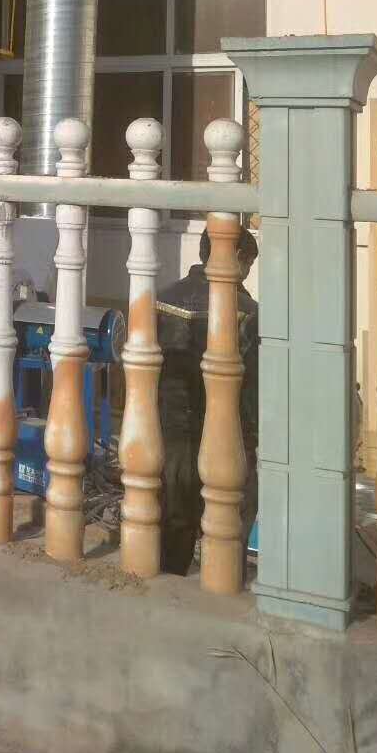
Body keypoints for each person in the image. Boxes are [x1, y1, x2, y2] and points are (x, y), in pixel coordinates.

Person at [155, 225, 259, 575]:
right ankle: (223, 581)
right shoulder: (247, 310)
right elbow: (253, 383)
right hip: (228, 431)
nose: (247, 273)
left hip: (172, 426)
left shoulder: (162, 299)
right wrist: (254, 435)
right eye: (249, 264)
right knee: (232, 518)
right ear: (237, 257)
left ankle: (171, 579)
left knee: (176, 513)